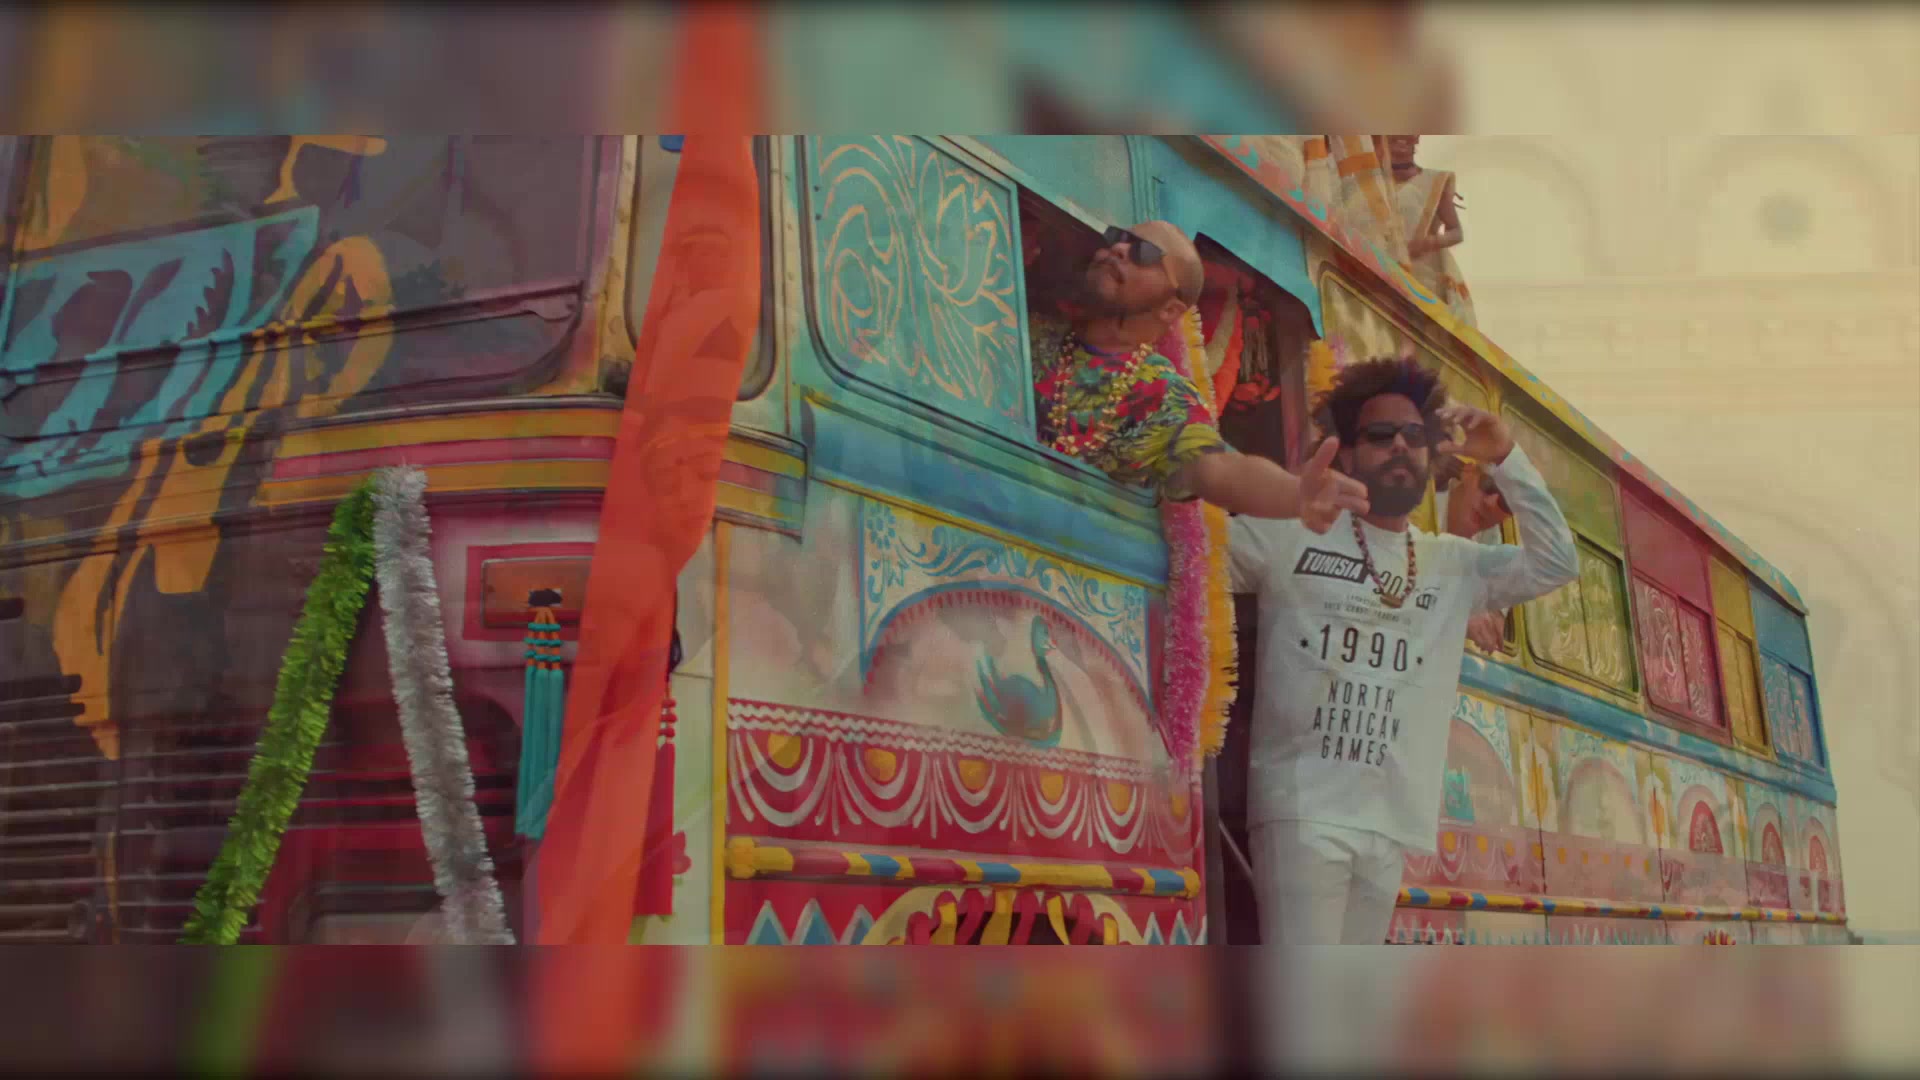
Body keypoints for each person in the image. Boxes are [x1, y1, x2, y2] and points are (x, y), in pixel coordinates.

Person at [1228, 356, 1578, 945]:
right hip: (1304, 811)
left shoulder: (1450, 564)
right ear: (1345, 453)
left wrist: (1505, 456)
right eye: (1380, 434)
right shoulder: (1289, 534)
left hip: (1391, 820)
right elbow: (1189, 549)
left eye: (1414, 436)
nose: (1399, 446)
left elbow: (1557, 563)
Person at [1029, 221, 1367, 522]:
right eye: (1118, 237)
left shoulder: (1163, 395)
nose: (1118, 249)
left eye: (1144, 253)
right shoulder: (1024, 327)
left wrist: (1295, 495)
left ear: (1170, 309)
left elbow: (1218, 470)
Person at [1387, 135, 1476, 326]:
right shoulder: (1371, 184)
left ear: (1416, 138)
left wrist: (1428, 243)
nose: (1401, 139)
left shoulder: (1433, 180)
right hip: (1384, 271)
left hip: (1425, 277)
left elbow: (1456, 232)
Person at [1434, 454, 1517, 653]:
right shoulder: (1421, 504)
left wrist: (1495, 614)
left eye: (1505, 502)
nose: (1491, 502)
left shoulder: (1489, 537)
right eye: (1488, 486)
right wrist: (1460, 614)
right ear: (1468, 473)